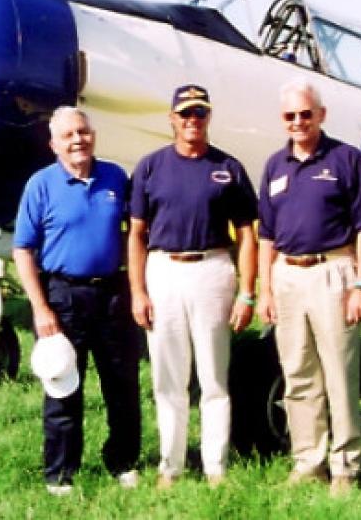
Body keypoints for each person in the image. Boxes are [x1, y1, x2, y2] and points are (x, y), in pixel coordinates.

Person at [128, 84, 258, 488]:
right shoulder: (150, 168)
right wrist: (137, 291)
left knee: (214, 378)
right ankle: (172, 466)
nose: (192, 121)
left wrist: (246, 291)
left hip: (213, 269)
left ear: (208, 117)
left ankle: (215, 465)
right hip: (164, 269)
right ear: (171, 118)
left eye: (199, 113)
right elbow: (135, 234)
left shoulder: (229, 168)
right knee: (169, 379)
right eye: (185, 113)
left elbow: (248, 234)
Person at [256, 78, 361, 495]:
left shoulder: (346, 160)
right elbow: (267, 236)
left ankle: (345, 466)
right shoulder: (275, 166)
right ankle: (308, 460)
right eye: (290, 116)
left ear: (321, 115)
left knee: (338, 375)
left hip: (334, 273)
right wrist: (266, 290)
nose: (298, 122)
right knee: (297, 374)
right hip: (286, 277)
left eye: (305, 114)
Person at [13, 106, 142, 495]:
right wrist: (40, 308)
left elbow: (132, 235)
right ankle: (60, 472)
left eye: (82, 132)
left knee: (122, 384)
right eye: (68, 135)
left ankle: (123, 461)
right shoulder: (40, 184)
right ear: (53, 144)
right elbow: (22, 249)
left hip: (112, 295)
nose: (77, 141)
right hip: (63, 296)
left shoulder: (115, 178)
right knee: (63, 384)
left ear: (93, 135)